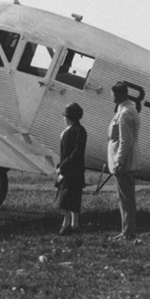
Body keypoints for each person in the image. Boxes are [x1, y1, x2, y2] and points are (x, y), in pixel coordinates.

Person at [107, 81, 141, 242]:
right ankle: (126, 230)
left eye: (113, 94)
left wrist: (118, 161)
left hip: (124, 162)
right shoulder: (129, 109)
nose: (111, 97)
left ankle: (128, 232)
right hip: (125, 161)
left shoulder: (124, 113)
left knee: (126, 199)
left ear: (118, 95)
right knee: (125, 198)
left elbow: (125, 140)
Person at [56, 101, 87, 235]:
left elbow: (75, 152)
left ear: (69, 118)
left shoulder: (75, 131)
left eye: (65, 116)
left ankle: (70, 224)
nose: (64, 118)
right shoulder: (78, 130)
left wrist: (62, 167)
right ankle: (71, 223)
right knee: (70, 199)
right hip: (72, 169)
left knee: (69, 198)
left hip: (71, 170)